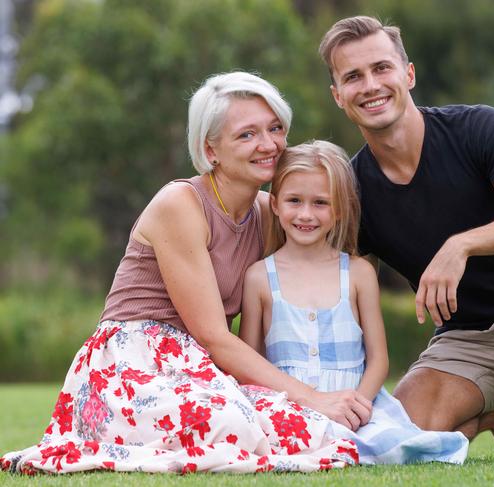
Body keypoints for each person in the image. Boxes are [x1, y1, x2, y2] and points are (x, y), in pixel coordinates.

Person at [0, 72, 371, 475]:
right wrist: (314, 395)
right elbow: (214, 336)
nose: (268, 145)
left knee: (307, 429)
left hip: (198, 367)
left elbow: (320, 259)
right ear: (211, 149)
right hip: (132, 360)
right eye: (246, 135)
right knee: (233, 425)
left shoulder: (270, 211)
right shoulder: (180, 204)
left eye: (275, 128)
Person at [317, 16, 494, 467]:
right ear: (338, 96)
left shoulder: (477, 128)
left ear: (408, 75)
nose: (370, 85)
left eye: (381, 68)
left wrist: (461, 245)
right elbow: (345, 292)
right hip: (468, 340)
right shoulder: (353, 191)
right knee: (399, 441)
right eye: (353, 77)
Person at [238, 140, 469, 464]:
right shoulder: (259, 277)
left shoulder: (358, 273)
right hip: (285, 406)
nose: (306, 214)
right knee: (278, 443)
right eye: (294, 201)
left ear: (340, 209)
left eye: (320, 203)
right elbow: (250, 365)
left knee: (392, 445)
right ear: (274, 204)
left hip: (355, 406)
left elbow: (378, 361)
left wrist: (357, 405)